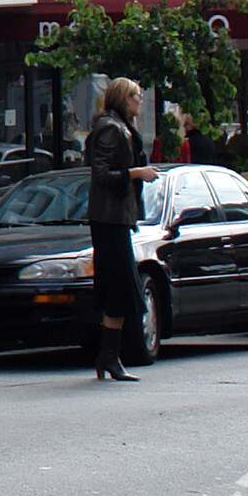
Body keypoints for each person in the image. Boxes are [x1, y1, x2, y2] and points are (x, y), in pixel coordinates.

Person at [87, 77, 157, 382]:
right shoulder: (111, 129)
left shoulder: (122, 128)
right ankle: (109, 357)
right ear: (122, 99)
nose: (139, 102)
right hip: (109, 220)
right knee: (120, 286)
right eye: (135, 97)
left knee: (117, 288)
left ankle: (109, 357)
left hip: (117, 219)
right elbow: (100, 173)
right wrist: (136, 173)